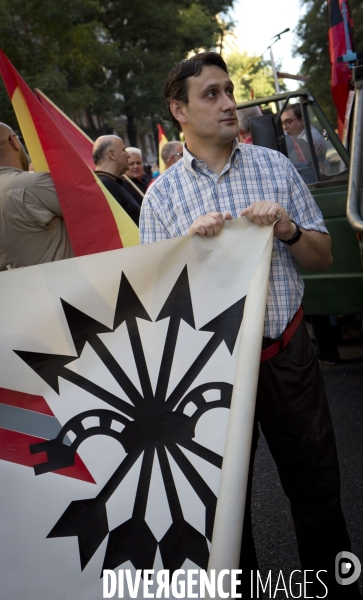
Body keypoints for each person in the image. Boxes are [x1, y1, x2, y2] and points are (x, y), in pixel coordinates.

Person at [140, 52, 361, 599]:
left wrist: (287, 229)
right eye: (210, 94)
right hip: (208, 377)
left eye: (229, 90)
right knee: (223, 512)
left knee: (317, 493)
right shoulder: (162, 197)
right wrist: (186, 252)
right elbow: (154, 308)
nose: (228, 103)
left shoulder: (276, 166)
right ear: (179, 110)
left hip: (286, 357)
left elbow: (323, 257)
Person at [0, 121, 74, 272]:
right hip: (66, 291)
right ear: (13, 141)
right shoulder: (35, 184)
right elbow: (94, 212)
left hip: (19, 293)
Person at [92, 135, 140, 224]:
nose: (128, 155)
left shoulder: (114, 182)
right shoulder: (104, 185)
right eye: (123, 150)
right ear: (112, 154)